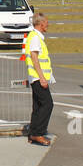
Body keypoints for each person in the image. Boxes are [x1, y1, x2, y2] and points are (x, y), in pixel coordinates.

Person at [22, 12, 54, 145]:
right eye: (46, 22)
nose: (48, 24)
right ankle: (38, 133)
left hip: (34, 77)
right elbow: (35, 58)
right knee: (48, 104)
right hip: (37, 78)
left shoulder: (34, 36)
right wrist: (42, 78)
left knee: (38, 105)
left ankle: (33, 133)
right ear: (41, 24)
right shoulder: (35, 37)